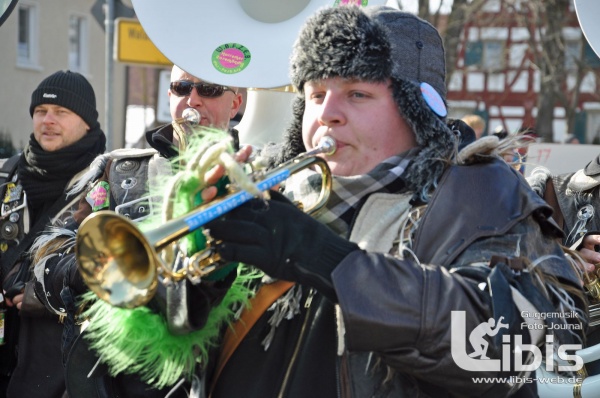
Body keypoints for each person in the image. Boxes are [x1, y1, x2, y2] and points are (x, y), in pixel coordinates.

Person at [201, 6, 587, 397]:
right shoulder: (272, 193)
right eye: (316, 94)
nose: (328, 114)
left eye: (357, 93)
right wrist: (200, 288)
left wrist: (328, 261)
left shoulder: (481, 194)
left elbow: (523, 347)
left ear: (416, 110)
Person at [26, 64, 244, 397]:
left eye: (210, 89)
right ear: (169, 95)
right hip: (119, 379)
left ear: (236, 103)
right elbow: (46, 250)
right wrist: (90, 269)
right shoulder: (118, 169)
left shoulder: (256, 177)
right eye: (182, 87)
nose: (193, 100)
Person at [0, 70, 107, 398]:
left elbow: (110, 272)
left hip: (59, 371)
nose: (48, 120)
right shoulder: (6, 175)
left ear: (86, 122)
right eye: (41, 112)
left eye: (62, 112)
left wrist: (47, 293)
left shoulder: (108, 185)